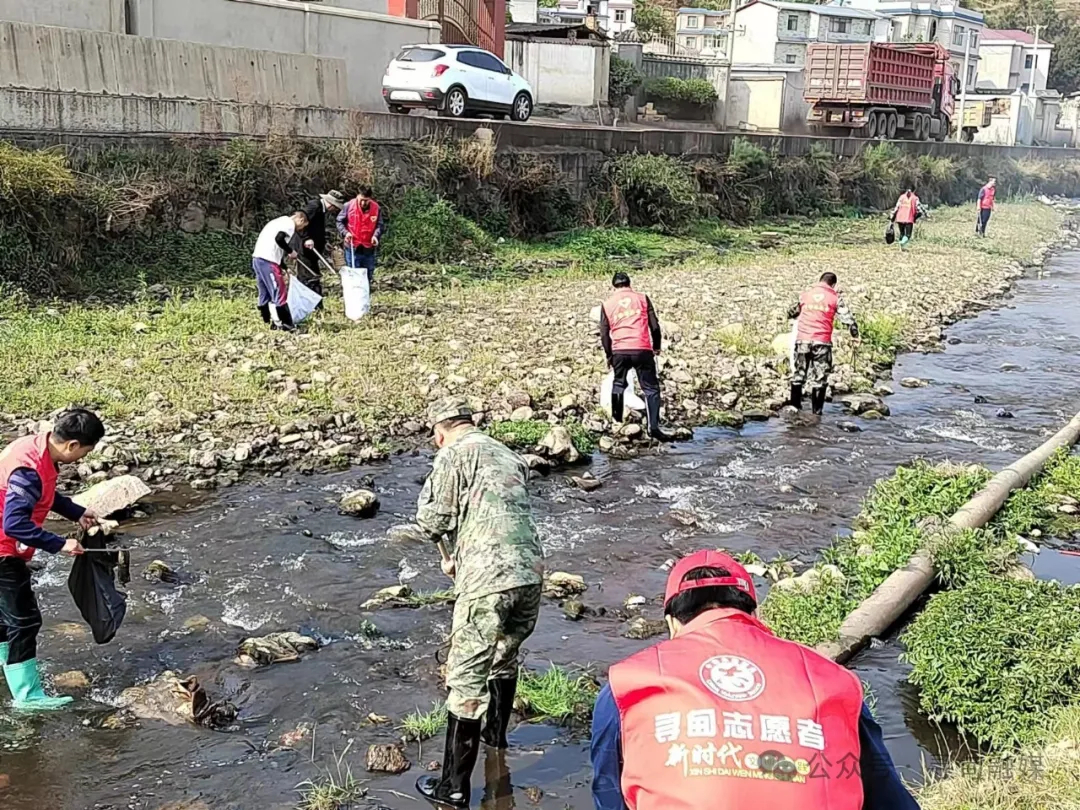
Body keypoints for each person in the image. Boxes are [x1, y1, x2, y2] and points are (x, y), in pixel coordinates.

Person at [590, 550, 920, 810]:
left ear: (671, 623)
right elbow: (888, 797)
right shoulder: (832, 680)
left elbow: (609, 794)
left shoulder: (626, 685)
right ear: (754, 613)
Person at [413, 397, 545, 809]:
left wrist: (448, 555)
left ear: (440, 433)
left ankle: (453, 788)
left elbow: (432, 520)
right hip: (530, 572)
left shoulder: (452, 455)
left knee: (466, 676)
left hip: (487, 578)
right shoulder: (508, 454)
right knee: (505, 654)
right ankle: (495, 738)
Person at [0, 408, 105, 711]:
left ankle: (8, 663)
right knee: (25, 620)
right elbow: (14, 524)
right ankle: (27, 697)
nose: (83, 458)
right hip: (3, 551)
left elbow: (43, 493)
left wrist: (76, 511)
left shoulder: (36, 446)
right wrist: (59, 543)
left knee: (4, 615)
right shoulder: (29, 470)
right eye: (85, 452)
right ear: (73, 445)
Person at [599, 272, 670, 441]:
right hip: (642, 349)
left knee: (618, 385)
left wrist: (609, 355)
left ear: (613, 286)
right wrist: (656, 347)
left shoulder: (607, 304)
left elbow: (604, 333)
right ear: (630, 283)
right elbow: (655, 326)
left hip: (619, 351)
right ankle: (654, 427)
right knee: (651, 388)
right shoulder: (642, 298)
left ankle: (617, 422)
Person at [788, 272, 858, 416]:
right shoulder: (835, 298)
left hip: (803, 340)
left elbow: (791, 312)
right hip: (822, 342)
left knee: (799, 375)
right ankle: (816, 414)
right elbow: (848, 319)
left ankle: (794, 409)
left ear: (819, 281)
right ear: (833, 285)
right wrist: (855, 335)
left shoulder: (805, 295)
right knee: (820, 379)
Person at [253, 210, 309, 331]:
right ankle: (287, 325)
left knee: (264, 293)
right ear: (301, 220)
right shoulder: (289, 224)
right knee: (279, 291)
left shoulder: (278, 221)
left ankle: (267, 322)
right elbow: (279, 239)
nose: (300, 229)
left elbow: (274, 246)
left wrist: (284, 267)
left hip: (258, 258)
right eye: (302, 226)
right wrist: (291, 251)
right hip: (268, 261)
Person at [299, 189, 346, 299]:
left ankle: (315, 300)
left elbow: (317, 228)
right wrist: (306, 238)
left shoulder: (322, 209)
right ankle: (309, 301)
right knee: (309, 275)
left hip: (314, 248)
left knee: (314, 274)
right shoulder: (314, 206)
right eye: (336, 207)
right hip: (305, 249)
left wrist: (323, 242)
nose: (335, 210)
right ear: (331, 204)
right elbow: (299, 221)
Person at [337, 185, 384, 286]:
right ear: (357, 196)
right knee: (354, 273)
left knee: (368, 273)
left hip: (368, 247)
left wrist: (376, 236)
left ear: (370, 198)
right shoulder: (348, 206)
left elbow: (379, 225)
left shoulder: (376, 208)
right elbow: (339, 221)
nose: (363, 203)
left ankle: (366, 291)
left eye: (366, 201)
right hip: (352, 246)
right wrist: (345, 233)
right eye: (361, 200)